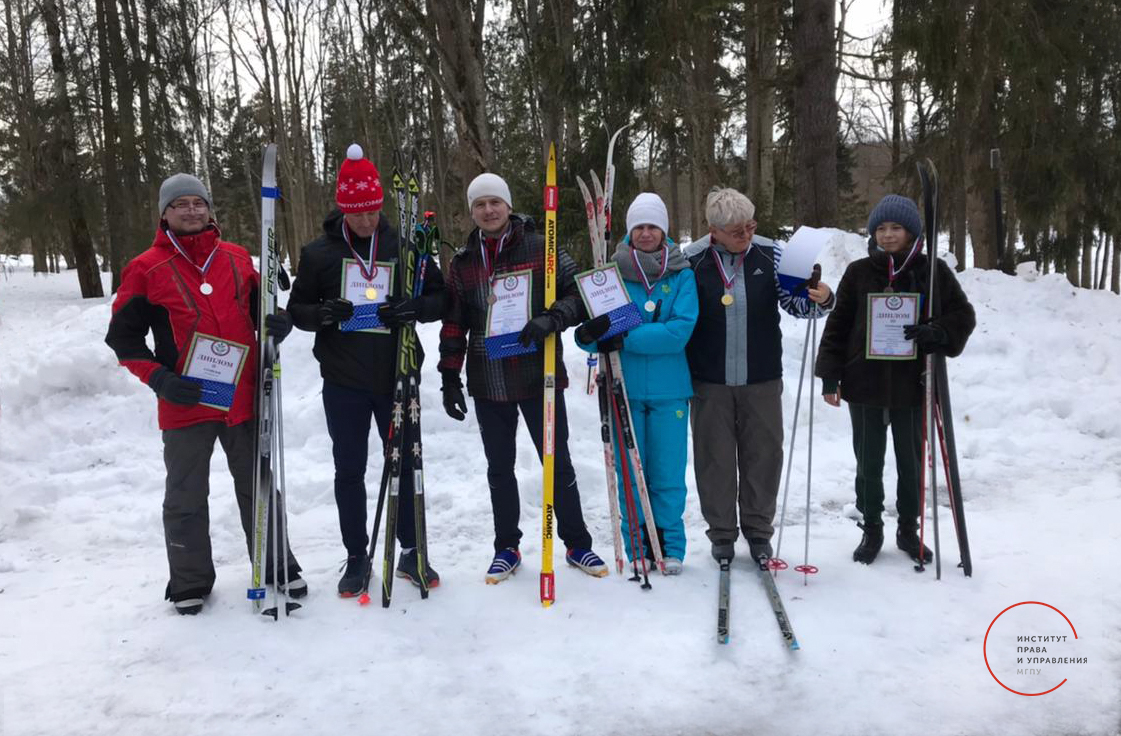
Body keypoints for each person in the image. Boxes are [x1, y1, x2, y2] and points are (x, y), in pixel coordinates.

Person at [105, 173, 303, 615]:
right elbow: (123, 340)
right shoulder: (145, 269)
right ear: (165, 214)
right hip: (185, 400)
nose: (192, 211)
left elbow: (261, 312)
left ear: (210, 209)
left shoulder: (235, 258)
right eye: (181, 205)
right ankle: (190, 579)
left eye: (198, 203)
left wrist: (279, 324)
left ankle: (275, 564)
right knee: (186, 494)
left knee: (260, 485)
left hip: (244, 395)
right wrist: (159, 379)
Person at [286, 144, 445, 596]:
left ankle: (412, 550)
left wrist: (411, 308)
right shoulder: (319, 254)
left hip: (397, 375)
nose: (367, 221)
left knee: (407, 467)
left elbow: (439, 299)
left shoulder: (404, 244)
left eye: (373, 211)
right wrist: (323, 313)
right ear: (343, 209)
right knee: (349, 467)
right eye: (358, 214)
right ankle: (357, 555)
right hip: (344, 380)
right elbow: (298, 309)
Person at [438, 172, 607, 583]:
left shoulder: (541, 245)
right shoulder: (462, 263)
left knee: (557, 460)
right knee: (500, 467)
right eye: (480, 204)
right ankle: (506, 547)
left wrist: (552, 319)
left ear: (508, 206)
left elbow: (578, 294)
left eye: (495, 202)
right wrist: (449, 377)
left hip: (538, 373)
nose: (488, 210)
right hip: (489, 377)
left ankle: (577, 543)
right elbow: (454, 323)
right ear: (472, 211)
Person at [815, 194, 975, 564]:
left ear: (911, 232)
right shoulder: (858, 272)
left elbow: (963, 316)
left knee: (912, 460)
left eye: (896, 228)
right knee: (868, 460)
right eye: (881, 228)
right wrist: (830, 375)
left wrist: (939, 332)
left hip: (913, 383)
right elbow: (837, 327)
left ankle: (908, 528)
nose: (888, 235)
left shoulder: (931, 271)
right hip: (864, 383)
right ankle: (871, 527)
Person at [684, 187, 834, 565]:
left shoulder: (772, 253)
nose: (746, 236)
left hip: (762, 377)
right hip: (709, 378)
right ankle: (721, 534)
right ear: (712, 229)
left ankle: (758, 531)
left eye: (750, 226)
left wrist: (821, 297)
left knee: (764, 456)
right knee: (714, 459)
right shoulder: (692, 261)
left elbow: (797, 304)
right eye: (736, 231)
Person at [575, 193, 697, 574]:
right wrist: (589, 334)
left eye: (652, 227)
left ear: (664, 231)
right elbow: (594, 334)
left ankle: (670, 544)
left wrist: (625, 336)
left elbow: (679, 330)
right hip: (622, 388)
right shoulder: (609, 274)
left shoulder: (681, 273)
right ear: (630, 233)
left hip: (669, 389)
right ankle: (638, 546)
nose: (646, 234)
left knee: (667, 472)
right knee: (630, 471)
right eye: (639, 227)